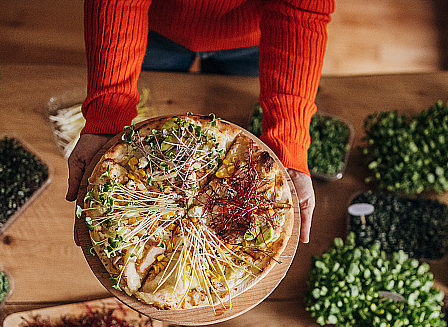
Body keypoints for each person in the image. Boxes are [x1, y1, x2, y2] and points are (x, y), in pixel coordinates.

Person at [66, 0, 336, 243]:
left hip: (251, 34)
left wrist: (288, 144)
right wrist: (107, 114)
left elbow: (302, 9)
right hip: (154, 22)